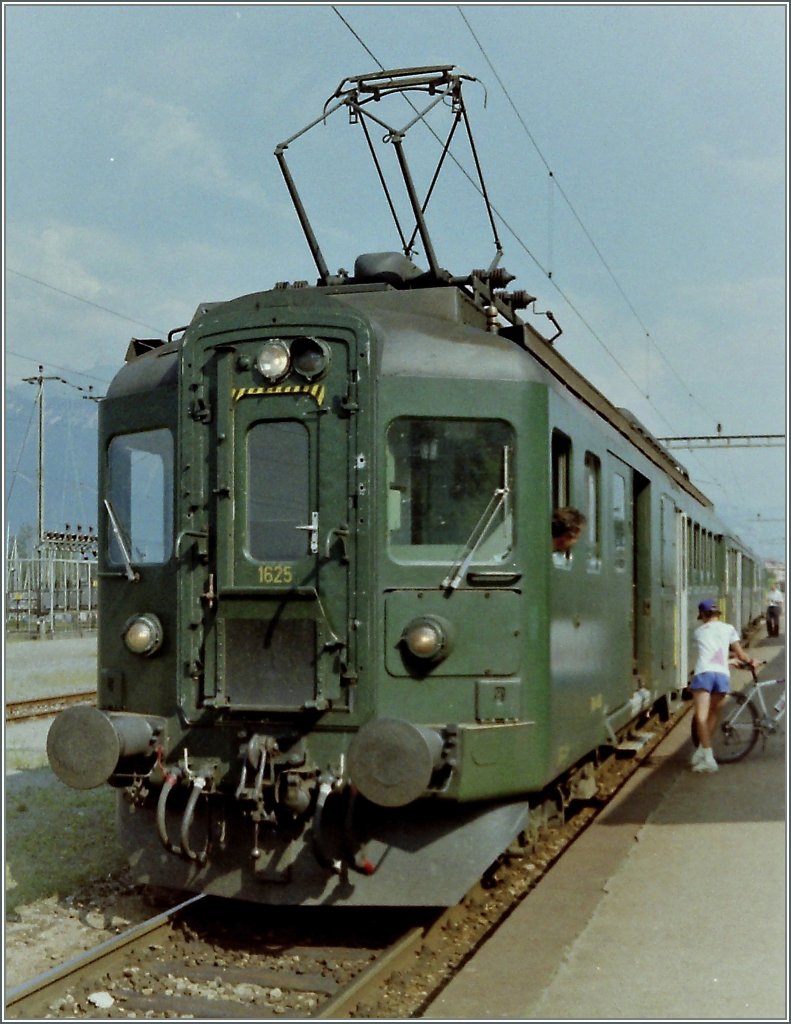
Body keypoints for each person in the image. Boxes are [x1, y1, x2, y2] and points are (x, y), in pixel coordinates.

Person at [689, 598, 757, 773]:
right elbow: (741, 655)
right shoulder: (729, 629)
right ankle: (701, 751)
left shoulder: (698, 632)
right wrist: (751, 661)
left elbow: (708, 654)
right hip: (722, 676)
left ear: (703, 615)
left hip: (704, 674)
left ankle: (709, 759)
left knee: (701, 718)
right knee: (713, 713)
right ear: (717, 614)